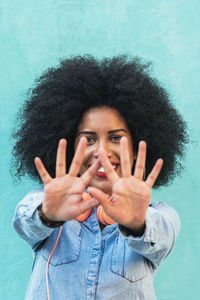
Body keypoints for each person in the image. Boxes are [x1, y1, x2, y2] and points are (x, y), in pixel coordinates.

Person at [12, 55, 188, 300]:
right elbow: (25, 223)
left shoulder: (159, 217)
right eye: (89, 139)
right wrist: (48, 215)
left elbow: (159, 235)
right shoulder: (49, 205)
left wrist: (135, 222)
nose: (102, 152)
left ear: (138, 147)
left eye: (116, 138)